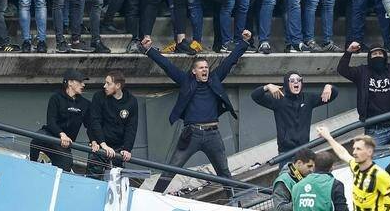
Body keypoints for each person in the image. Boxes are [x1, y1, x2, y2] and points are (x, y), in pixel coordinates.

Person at [144, 30, 252, 193]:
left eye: (206, 67)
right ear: (194, 71)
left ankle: (234, 204)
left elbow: (230, 61)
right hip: (191, 134)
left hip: (213, 135)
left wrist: (243, 43)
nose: (205, 70)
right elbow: (167, 66)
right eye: (201, 68)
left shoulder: (215, 79)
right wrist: (149, 50)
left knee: (224, 172)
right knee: (171, 169)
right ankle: (154, 197)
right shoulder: (186, 81)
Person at [337, 41, 390, 150]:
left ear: (385, 56)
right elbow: (342, 69)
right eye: (374, 54)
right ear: (369, 57)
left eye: (380, 54)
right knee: (374, 160)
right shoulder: (361, 72)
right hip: (373, 130)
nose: (378, 56)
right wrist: (349, 52)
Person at [252, 72, 337, 157]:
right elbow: (255, 96)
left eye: (299, 80)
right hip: (286, 152)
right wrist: (267, 87)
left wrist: (329, 86)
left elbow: (332, 95)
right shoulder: (279, 100)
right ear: (286, 84)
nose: (296, 82)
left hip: (304, 150)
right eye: (292, 80)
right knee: (287, 170)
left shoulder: (308, 98)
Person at [29, 70, 92, 172]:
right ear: (70, 83)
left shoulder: (86, 104)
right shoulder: (56, 98)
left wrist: (94, 141)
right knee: (37, 139)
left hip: (65, 144)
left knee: (67, 163)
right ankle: (32, 165)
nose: (83, 85)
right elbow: (51, 121)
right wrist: (62, 135)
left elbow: (90, 126)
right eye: (80, 82)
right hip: (51, 134)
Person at [86, 71, 138, 178]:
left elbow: (131, 127)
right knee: (93, 177)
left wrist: (127, 149)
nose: (105, 86)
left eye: (108, 83)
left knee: (117, 181)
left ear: (118, 86)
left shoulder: (131, 101)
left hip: (118, 148)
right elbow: (95, 122)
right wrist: (102, 144)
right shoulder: (99, 96)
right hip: (100, 145)